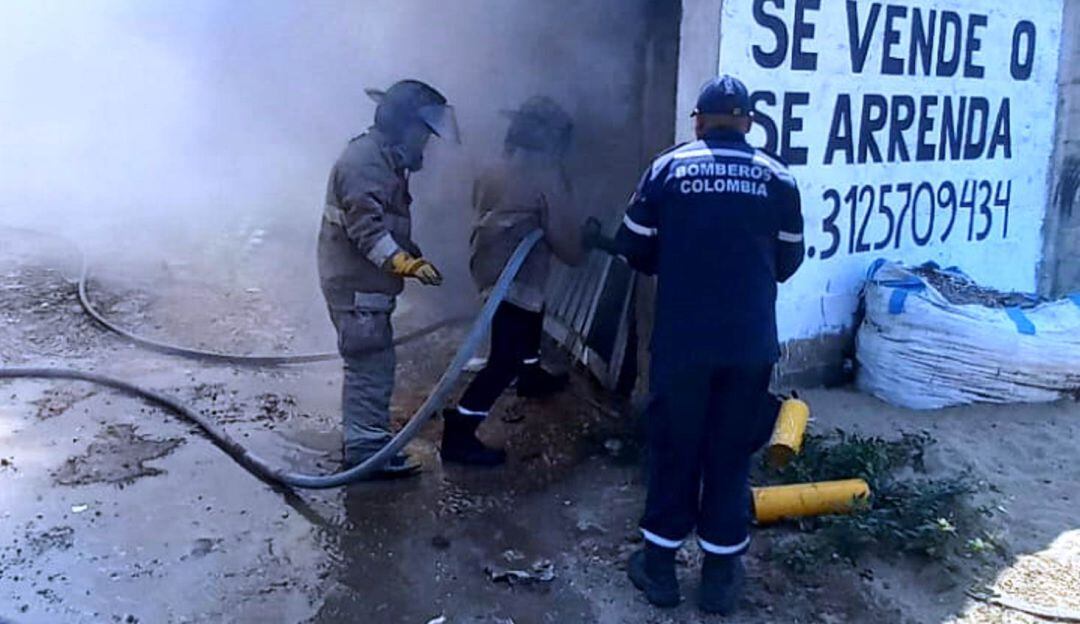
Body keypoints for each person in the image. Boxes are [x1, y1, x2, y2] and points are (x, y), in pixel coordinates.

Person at [585, 75, 805, 614]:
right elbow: (788, 263)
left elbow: (635, 248)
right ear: (749, 123)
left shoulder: (668, 168)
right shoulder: (778, 177)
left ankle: (658, 571)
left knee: (675, 448)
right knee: (730, 453)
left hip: (684, 342)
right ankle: (720, 582)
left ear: (699, 121)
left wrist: (678, 254)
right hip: (749, 344)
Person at [317, 79, 459, 478]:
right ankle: (365, 456)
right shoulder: (365, 163)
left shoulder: (383, 158)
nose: (425, 145)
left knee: (376, 362)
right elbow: (369, 233)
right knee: (369, 364)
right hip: (355, 284)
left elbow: (384, 219)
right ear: (402, 125)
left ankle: (369, 445)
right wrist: (406, 264)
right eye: (422, 135)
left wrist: (406, 249)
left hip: (362, 281)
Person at [441, 96, 585, 466]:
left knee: (531, 316)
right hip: (512, 277)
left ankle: (531, 374)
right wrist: (583, 243)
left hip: (489, 267)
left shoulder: (494, 166)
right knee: (504, 358)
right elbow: (567, 243)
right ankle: (459, 432)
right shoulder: (545, 177)